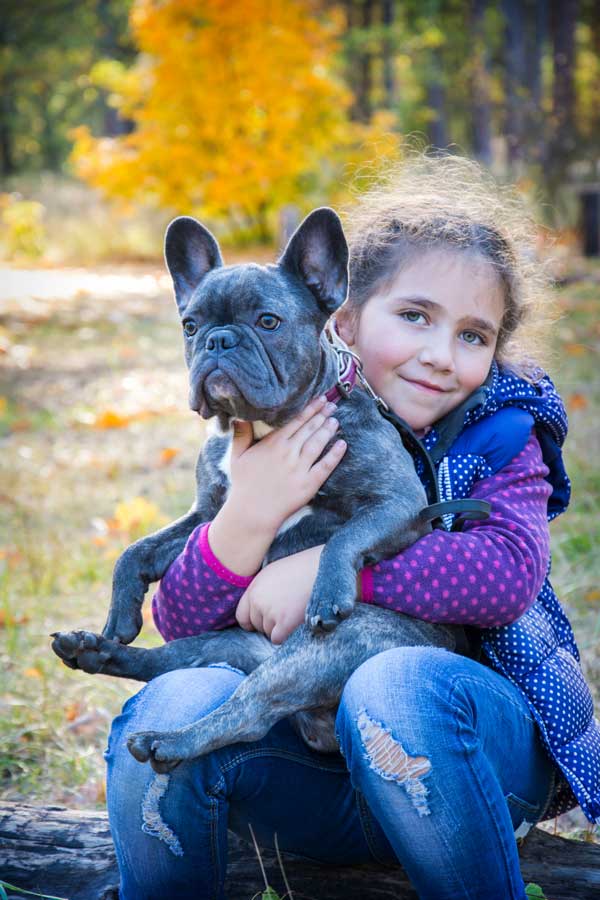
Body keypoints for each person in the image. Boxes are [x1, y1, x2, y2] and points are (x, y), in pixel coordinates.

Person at [105, 155, 600, 900]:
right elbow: (181, 624)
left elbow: (502, 577)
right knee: (170, 704)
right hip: (310, 769)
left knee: (394, 682)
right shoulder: (261, 435)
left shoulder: (504, 432)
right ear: (343, 316)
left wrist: (322, 568)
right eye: (414, 317)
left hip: (472, 755)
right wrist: (248, 514)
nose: (440, 354)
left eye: (474, 336)